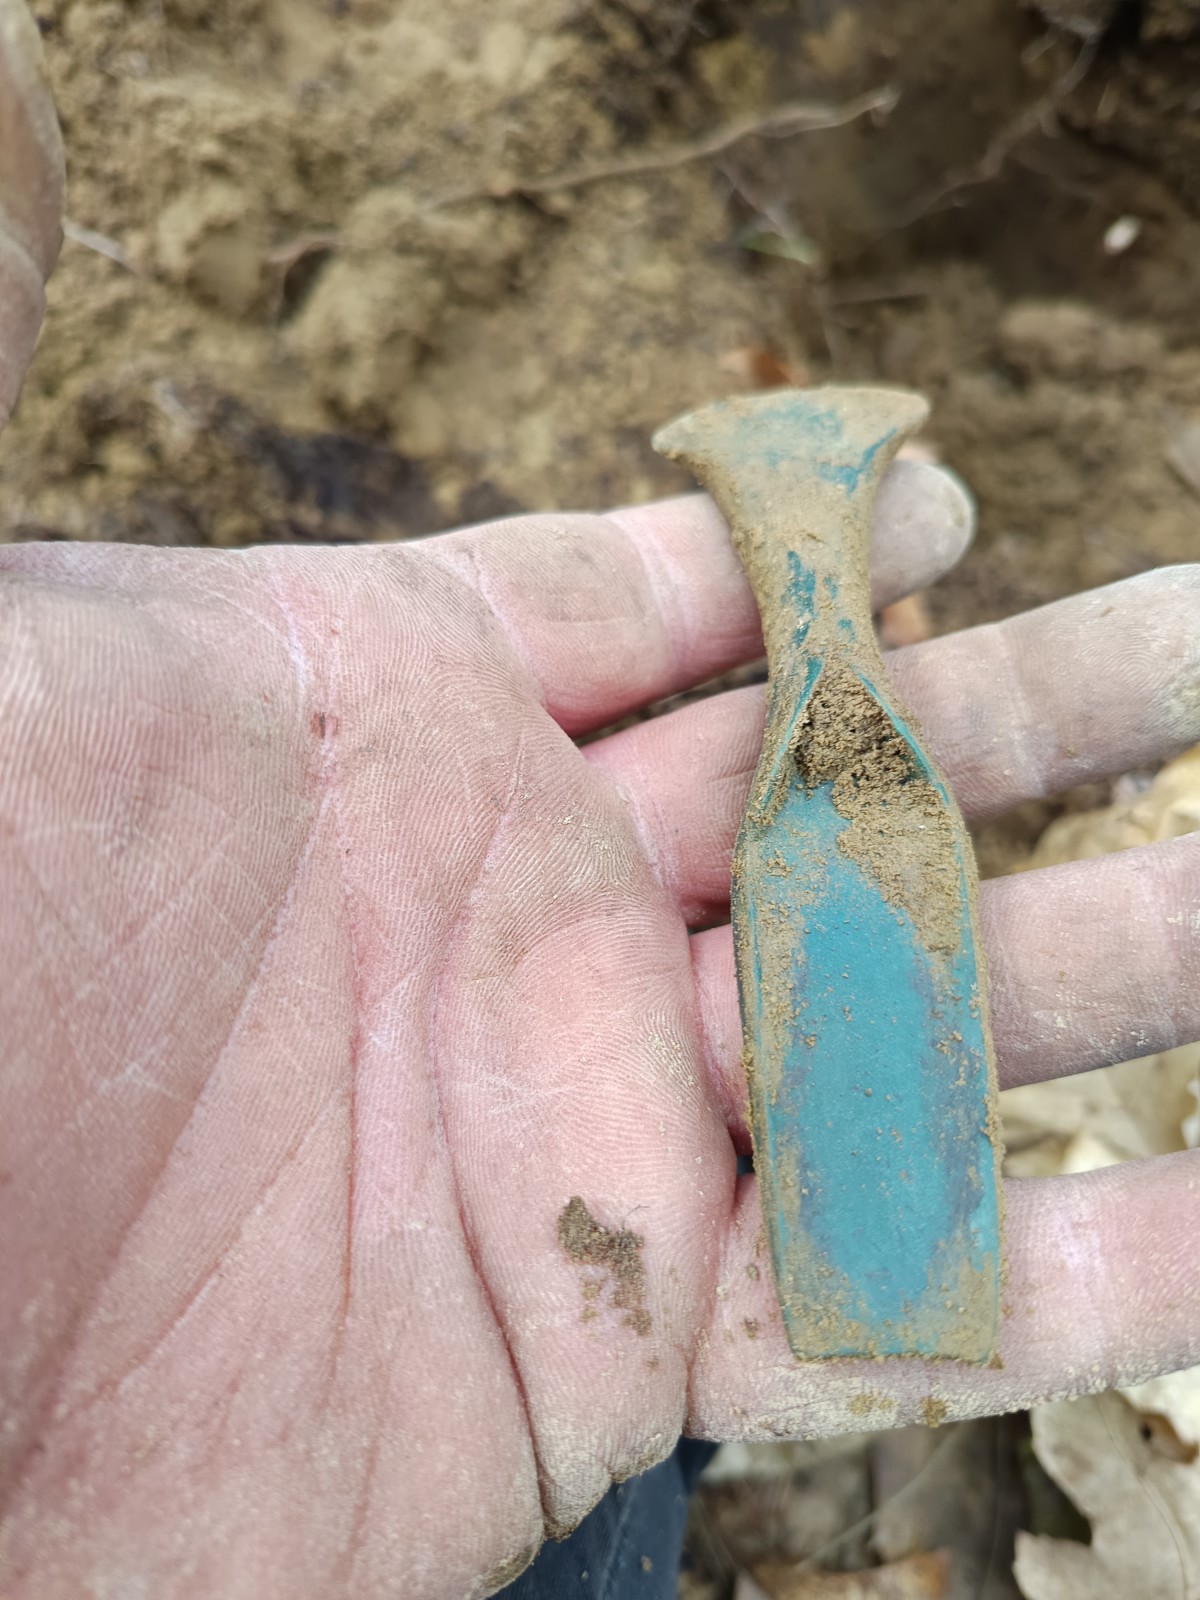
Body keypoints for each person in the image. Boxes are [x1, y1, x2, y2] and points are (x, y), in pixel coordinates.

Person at [3, 11, 1199, 1596]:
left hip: (483, 1423)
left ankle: (701, 1429)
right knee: (600, 1468)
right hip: (423, 1434)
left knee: (615, 1439)